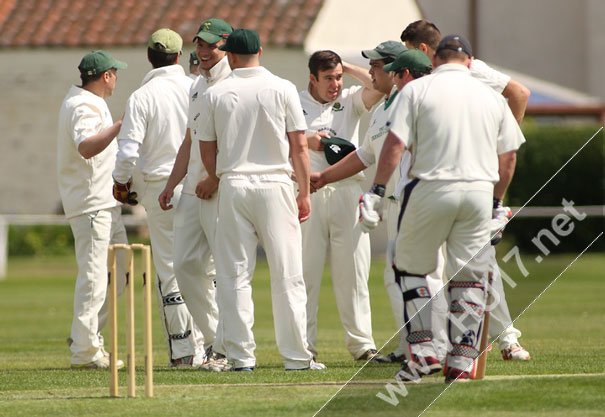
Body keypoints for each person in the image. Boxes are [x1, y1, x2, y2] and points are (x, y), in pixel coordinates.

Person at [362, 34, 525, 382]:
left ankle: (422, 350)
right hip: (479, 192)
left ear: (435, 61)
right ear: (468, 61)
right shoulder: (490, 96)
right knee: (469, 276)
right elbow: (508, 157)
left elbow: (394, 144)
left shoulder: (416, 91)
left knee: (408, 267)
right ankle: (462, 359)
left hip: (431, 187)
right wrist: (496, 203)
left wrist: (376, 190)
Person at [400, 19, 531, 361]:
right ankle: (449, 346)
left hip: (474, 178)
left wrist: (496, 143)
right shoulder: (428, 80)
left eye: (412, 53)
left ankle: (505, 339)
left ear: (426, 51)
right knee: (457, 268)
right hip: (453, 180)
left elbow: (519, 93)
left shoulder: (472, 70)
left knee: (476, 263)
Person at [197, 28, 324, 371]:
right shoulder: (282, 88)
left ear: (231, 56)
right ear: (261, 51)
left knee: (234, 274)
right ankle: (297, 357)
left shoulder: (216, 92)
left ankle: (241, 357)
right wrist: (304, 192)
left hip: (234, 184)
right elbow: (299, 146)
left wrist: (216, 177)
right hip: (275, 184)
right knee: (287, 273)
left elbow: (206, 148)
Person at [309, 48, 447, 363]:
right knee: (398, 276)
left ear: (396, 70)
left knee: (427, 274)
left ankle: (438, 345)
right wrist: (325, 177)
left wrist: (376, 189)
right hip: (399, 202)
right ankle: (413, 346)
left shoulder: (413, 101)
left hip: (419, 197)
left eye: (375, 66)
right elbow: (365, 155)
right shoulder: (385, 107)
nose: (370, 71)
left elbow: (395, 150)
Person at [112, 28, 199, 367]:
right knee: (204, 268)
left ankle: (184, 352)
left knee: (170, 269)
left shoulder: (141, 96)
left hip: (159, 186)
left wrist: (120, 185)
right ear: (179, 57)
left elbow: (127, 151)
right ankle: (216, 348)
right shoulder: (196, 88)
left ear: (150, 56)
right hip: (199, 185)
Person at [299, 47, 387, 363]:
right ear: (312, 78)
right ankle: (303, 348)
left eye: (337, 77)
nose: (334, 83)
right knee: (304, 274)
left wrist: (347, 66)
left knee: (354, 271)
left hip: (347, 191)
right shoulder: (294, 102)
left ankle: (362, 345)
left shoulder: (349, 99)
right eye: (328, 78)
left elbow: (379, 87)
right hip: (308, 193)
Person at [158, 18, 233, 371]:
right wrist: (172, 182)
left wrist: (215, 178)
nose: (203, 52)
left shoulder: (233, 83)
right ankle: (220, 338)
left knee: (227, 270)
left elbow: (233, 143)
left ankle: (224, 347)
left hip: (221, 190)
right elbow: (190, 139)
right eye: (200, 45)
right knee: (185, 265)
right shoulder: (196, 86)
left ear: (226, 46)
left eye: (211, 46)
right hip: (192, 188)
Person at [57, 50, 129, 369]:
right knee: (94, 276)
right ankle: (85, 351)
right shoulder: (82, 104)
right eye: (116, 74)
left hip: (105, 202)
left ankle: (84, 335)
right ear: (107, 76)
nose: (117, 80)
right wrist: (121, 125)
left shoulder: (89, 101)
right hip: (90, 205)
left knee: (122, 272)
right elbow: (86, 146)